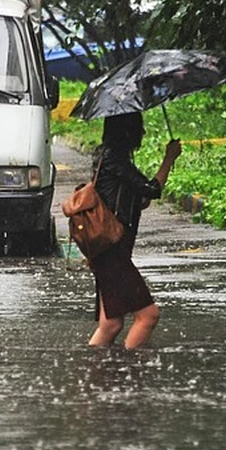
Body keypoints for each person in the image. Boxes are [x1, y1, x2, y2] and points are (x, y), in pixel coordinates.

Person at [87, 112, 182, 349]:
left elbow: (137, 199)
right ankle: (129, 378)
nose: (143, 132)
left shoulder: (109, 158)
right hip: (112, 253)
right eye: (139, 127)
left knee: (110, 324)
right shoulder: (114, 160)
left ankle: (96, 375)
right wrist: (168, 159)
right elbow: (151, 190)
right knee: (148, 316)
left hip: (108, 252)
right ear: (127, 130)